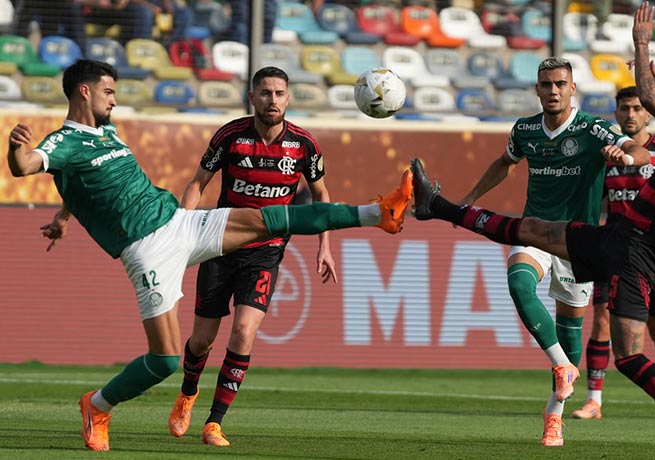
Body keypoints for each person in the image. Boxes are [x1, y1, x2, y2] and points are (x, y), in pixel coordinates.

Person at [6, 59, 413, 452]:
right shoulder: (64, 141)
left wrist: (64, 215)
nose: (113, 100)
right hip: (146, 251)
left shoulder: (107, 132)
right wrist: (15, 149)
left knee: (269, 220)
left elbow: (86, 184)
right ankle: (98, 406)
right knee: (164, 360)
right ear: (84, 91)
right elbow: (26, 166)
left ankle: (380, 212)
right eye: (108, 92)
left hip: (180, 221)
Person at [409, 3, 655, 458]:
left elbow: (648, 101)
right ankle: (437, 205)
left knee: (628, 352)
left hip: (637, 250)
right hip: (631, 242)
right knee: (532, 231)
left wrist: (642, 46)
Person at [455, 57, 650, 447]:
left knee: (570, 328)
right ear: (538, 89)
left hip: (577, 241)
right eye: (546, 84)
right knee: (519, 283)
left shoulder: (594, 128)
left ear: (573, 88)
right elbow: (504, 163)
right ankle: (562, 366)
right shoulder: (525, 129)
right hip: (534, 230)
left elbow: (639, 151)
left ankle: (554, 415)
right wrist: (469, 200)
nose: (553, 90)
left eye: (561, 83)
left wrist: (624, 157)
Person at [166, 66, 335, 446]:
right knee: (201, 341)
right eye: (265, 93)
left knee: (244, 331)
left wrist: (325, 244)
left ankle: (214, 423)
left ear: (288, 99)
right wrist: (183, 227)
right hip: (219, 245)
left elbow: (322, 196)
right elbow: (198, 184)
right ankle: (187, 393)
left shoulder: (304, 145)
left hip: (266, 252)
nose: (272, 100)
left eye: (279, 94)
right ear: (252, 97)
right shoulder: (230, 136)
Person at [571, 86, 655, 421]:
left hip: (654, 256)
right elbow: (592, 201)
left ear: (648, 113)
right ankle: (594, 401)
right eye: (624, 109)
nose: (630, 114)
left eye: (636, 108)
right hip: (614, 250)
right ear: (616, 113)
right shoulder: (608, 155)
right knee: (602, 320)